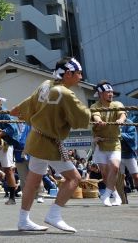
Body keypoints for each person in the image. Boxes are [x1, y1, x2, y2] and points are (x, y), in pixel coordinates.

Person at [10, 56, 91, 232]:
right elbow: (82, 117)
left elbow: (27, 104)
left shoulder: (46, 84)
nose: (81, 76)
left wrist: (18, 110)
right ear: (68, 74)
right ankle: (54, 215)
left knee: (32, 181)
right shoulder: (65, 93)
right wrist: (95, 118)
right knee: (74, 178)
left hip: (36, 138)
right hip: (48, 143)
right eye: (78, 73)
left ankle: (23, 220)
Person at [90, 80, 127, 206]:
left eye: (111, 91)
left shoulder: (117, 104)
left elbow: (123, 115)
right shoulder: (95, 106)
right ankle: (116, 196)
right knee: (105, 175)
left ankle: (106, 194)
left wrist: (121, 120)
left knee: (115, 168)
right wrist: (99, 121)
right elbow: (96, 116)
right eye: (108, 92)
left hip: (115, 142)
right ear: (100, 94)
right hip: (100, 143)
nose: (111, 94)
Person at [120, 110, 138, 197]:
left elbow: (132, 137)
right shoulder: (112, 122)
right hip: (117, 153)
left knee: (135, 175)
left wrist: (120, 134)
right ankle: (124, 193)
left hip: (129, 153)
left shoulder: (129, 122)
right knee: (121, 176)